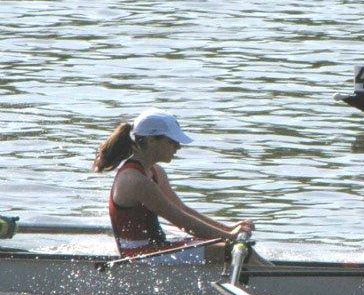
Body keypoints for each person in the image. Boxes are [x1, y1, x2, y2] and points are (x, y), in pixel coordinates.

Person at [92, 108, 271, 265]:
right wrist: (230, 237)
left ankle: (278, 277)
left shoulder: (155, 171)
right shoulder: (135, 180)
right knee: (236, 251)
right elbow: (183, 222)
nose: (178, 147)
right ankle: (278, 286)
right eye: (172, 141)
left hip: (158, 249)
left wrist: (227, 228)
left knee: (244, 252)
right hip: (139, 256)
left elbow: (183, 210)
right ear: (152, 140)